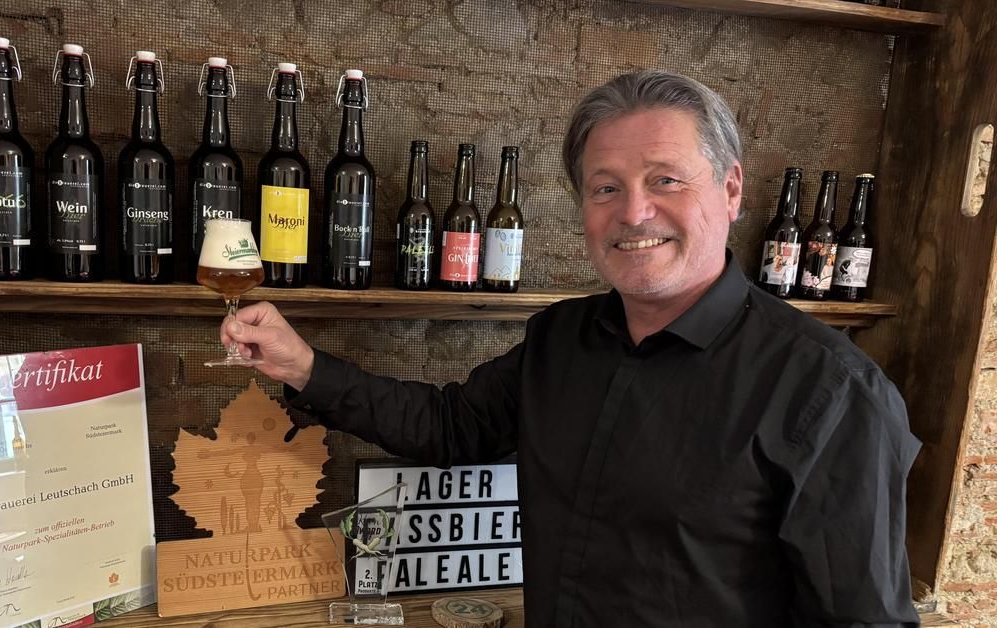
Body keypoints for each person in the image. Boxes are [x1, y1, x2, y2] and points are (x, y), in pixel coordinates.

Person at [219, 70, 922, 627]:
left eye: (665, 180)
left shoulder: (830, 392)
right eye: (605, 188)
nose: (634, 213)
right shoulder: (562, 338)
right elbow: (449, 425)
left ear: (731, 188)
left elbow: (861, 620)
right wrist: (302, 366)